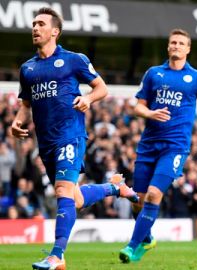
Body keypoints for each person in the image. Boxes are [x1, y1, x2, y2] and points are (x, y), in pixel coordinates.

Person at [11, 7, 139, 270]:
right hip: (45, 142)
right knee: (74, 198)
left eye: (41, 24)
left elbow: (101, 87)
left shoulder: (74, 60)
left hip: (71, 135)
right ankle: (115, 188)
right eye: (33, 24)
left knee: (62, 191)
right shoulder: (28, 68)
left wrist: (88, 99)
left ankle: (57, 255)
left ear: (55, 31)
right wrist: (17, 121)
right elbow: (26, 103)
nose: (35, 28)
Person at [118, 28, 197, 263]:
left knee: (153, 194)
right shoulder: (154, 74)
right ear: (168, 46)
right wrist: (150, 113)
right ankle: (147, 238)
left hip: (175, 147)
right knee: (136, 201)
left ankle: (131, 247)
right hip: (148, 145)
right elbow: (137, 106)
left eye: (181, 43)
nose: (176, 46)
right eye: (173, 42)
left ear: (188, 49)